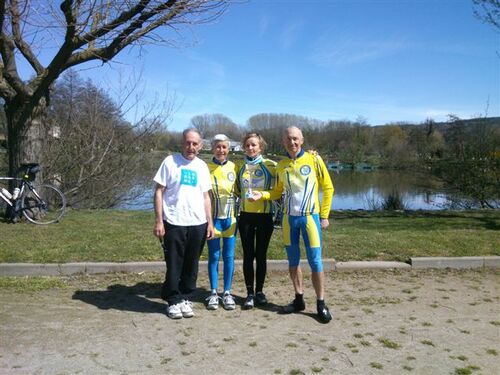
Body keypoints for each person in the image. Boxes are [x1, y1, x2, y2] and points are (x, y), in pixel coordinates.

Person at [251, 126, 334, 323]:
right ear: (283, 142)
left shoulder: (314, 159)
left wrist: (324, 215)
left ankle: (321, 303)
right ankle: (299, 299)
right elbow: (277, 193)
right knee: (293, 262)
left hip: (310, 218)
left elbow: (328, 187)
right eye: (288, 139)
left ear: (302, 140)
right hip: (289, 219)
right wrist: (261, 194)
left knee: (315, 261)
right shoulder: (282, 165)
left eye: (296, 139)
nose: (292, 142)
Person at [153, 128, 214, 319]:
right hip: (174, 221)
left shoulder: (202, 166)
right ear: (182, 143)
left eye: (195, 144)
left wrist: (210, 223)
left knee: (191, 263)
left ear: (200, 146)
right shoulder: (170, 162)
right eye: (188, 142)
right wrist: (159, 220)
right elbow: (159, 192)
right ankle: (172, 299)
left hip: (198, 222)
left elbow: (206, 197)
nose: (191, 147)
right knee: (174, 263)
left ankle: (186, 297)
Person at [236, 132, 277, 309]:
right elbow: (237, 191)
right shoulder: (240, 168)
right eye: (247, 145)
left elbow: (282, 186)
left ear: (260, 147)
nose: (250, 148)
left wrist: (312, 155)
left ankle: (259, 292)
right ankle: (249, 294)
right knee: (247, 256)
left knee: (261, 256)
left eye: (254, 145)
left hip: (265, 216)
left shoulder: (272, 166)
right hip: (245, 216)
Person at [205, 134, 238, 311]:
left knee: (229, 257)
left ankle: (227, 292)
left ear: (228, 149)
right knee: (214, 257)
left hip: (231, 220)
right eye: (218, 147)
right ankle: (213, 293)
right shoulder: (205, 167)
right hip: (214, 220)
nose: (221, 150)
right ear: (212, 148)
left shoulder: (234, 167)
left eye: (224, 147)